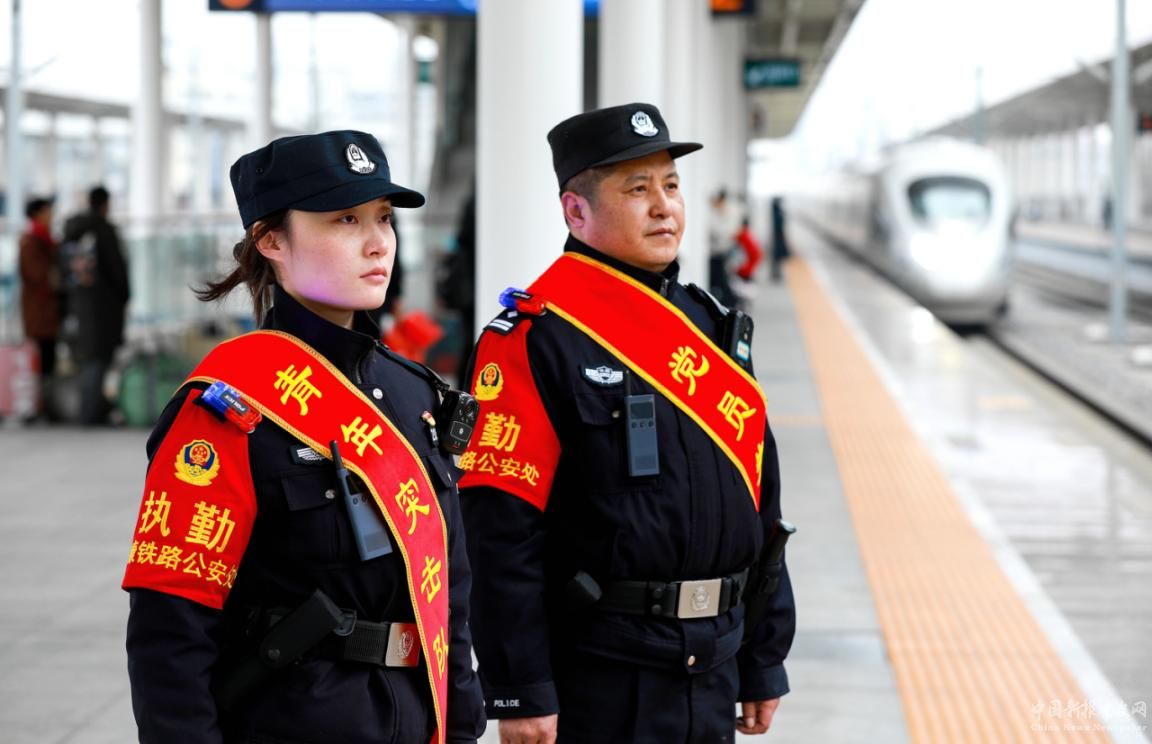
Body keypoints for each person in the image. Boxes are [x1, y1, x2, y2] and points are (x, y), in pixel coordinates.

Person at [121, 130, 486, 744]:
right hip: (292, 720)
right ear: (271, 241)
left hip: (415, 717)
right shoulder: (230, 406)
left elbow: (449, 589)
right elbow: (170, 626)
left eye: (384, 218)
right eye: (346, 220)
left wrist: (465, 720)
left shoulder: (413, 393)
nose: (378, 242)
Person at [458, 103, 795, 744]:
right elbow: (500, 529)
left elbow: (762, 501)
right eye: (637, 190)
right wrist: (520, 685)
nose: (664, 207)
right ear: (576, 211)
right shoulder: (536, 337)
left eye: (671, 185)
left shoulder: (712, 327)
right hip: (601, 671)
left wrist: (764, 655)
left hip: (716, 662)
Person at [61, 185, 131, 425]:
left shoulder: (71, 231)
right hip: (104, 306)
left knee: (88, 358)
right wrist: (124, 295)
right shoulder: (103, 230)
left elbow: (64, 271)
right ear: (105, 204)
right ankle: (91, 413)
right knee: (98, 359)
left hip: (80, 305)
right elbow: (116, 269)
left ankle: (90, 409)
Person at [18, 196, 61, 422]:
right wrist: (55, 278)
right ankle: (36, 408)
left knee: (48, 359)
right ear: (37, 214)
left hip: (47, 313)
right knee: (39, 361)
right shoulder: (31, 241)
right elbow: (37, 276)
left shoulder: (46, 240)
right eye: (47, 211)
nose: (51, 216)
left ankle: (46, 406)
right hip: (38, 313)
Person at [708, 188, 740, 307]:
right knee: (720, 280)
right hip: (718, 251)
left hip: (721, 252)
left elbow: (724, 233)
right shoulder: (719, 212)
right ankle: (729, 301)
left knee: (721, 280)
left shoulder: (729, 212)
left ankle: (730, 302)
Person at [735, 216, 764, 282]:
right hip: (756, 254)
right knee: (749, 266)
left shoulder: (742, 233)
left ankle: (744, 277)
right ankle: (745, 276)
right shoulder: (749, 233)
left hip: (753, 254)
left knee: (747, 267)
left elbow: (733, 238)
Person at [769, 197, 791, 283]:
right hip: (778, 239)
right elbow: (780, 226)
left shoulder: (775, 212)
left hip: (777, 238)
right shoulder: (778, 213)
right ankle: (776, 274)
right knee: (777, 257)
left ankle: (776, 274)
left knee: (776, 258)